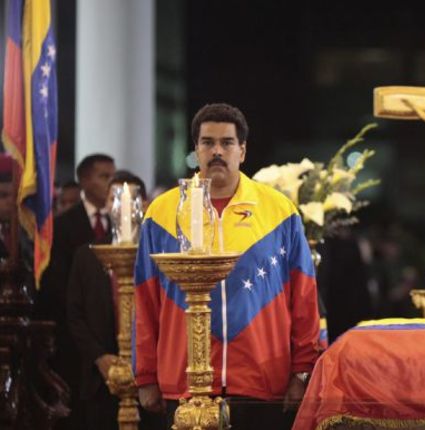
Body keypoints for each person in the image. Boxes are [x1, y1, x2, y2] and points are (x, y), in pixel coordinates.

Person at [134, 103, 321, 429]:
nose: (217, 151)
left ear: (243, 150)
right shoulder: (161, 214)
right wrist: (145, 373)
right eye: (207, 142)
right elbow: (145, 301)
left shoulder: (279, 211)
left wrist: (303, 370)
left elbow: (304, 298)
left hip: (261, 382)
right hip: (183, 383)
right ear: (195, 149)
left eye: (227, 143)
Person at [65, 170, 165, 430]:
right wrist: (99, 357)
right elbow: (74, 314)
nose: (120, 206)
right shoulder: (87, 255)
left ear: (143, 205)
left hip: (152, 379)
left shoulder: (160, 256)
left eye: (130, 200)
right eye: (114, 199)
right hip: (102, 376)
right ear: (107, 205)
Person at [37, 153, 116, 429]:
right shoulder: (63, 225)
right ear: (84, 180)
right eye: (104, 176)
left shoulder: (119, 224)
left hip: (113, 334)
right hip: (76, 337)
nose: (110, 182)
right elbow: (58, 285)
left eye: (113, 176)